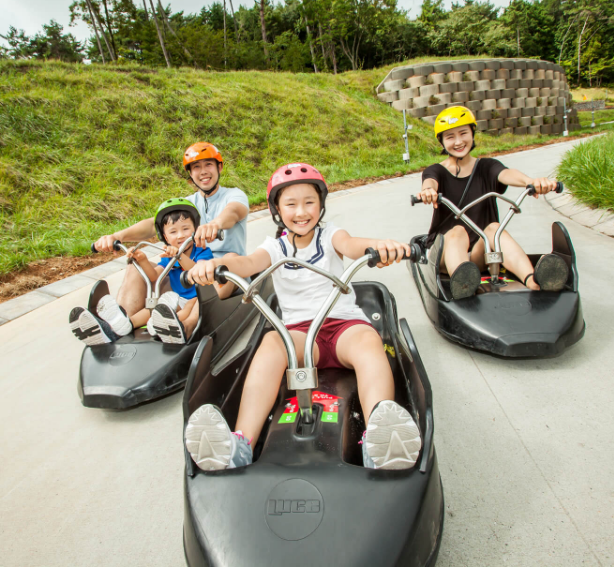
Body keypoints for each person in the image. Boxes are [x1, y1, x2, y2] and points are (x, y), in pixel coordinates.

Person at [182, 163, 423, 471]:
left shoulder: (331, 234)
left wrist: (379, 246)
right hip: (298, 335)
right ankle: (239, 444)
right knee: (271, 343)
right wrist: (217, 265)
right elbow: (248, 263)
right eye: (291, 204)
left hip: (343, 327)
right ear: (277, 210)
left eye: (309, 202)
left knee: (368, 341)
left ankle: (380, 439)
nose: (301, 212)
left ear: (321, 204)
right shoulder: (275, 246)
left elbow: (352, 246)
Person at [415, 107, 569, 299]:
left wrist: (531, 182)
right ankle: (464, 286)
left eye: (463, 133)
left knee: (494, 228)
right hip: (446, 254)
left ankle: (534, 281)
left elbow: (507, 174)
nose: (458, 141)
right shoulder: (435, 170)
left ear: (472, 133)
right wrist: (428, 191)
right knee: (457, 231)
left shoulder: (487, 167)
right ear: (442, 141)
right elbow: (430, 182)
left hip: (480, 255)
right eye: (450, 137)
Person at [91, 142, 249, 328]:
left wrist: (215, 224)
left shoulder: (234, 195)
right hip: (186, 274)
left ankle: (187, 325)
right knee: (135, 267)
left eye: (208, 165)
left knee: (229, 259)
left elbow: (233, 212)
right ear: (190, 174)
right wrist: (117, 236)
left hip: (221, 277)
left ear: (219, 167)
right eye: (196, 167)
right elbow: (152, 224)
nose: (203, 171)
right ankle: (120, 325)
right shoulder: (186, 205)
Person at [69, 199, 231, 345]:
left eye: (186, 229)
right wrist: (143, 260)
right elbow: (155, 276)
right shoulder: (169, 255)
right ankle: (121, 324)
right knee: (153, 307)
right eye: (173, 232)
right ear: (165, 237)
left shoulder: (202, 251)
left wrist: (179, 256)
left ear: (195, 230)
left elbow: (198, 272)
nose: (180, 235)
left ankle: (172, 326)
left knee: (189, 306)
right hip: (174, 298)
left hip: (195, 297)